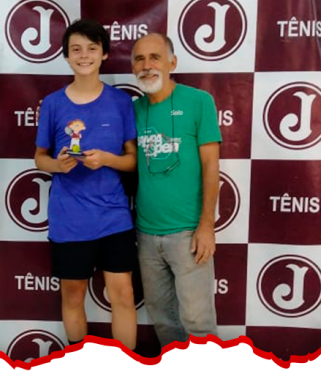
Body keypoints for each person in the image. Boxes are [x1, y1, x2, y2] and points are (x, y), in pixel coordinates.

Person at [35, 19, 138, 349]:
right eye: (76, 49)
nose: (84, 55)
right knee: (73, 295)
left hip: (114, 216)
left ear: (104, 54)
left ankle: (127, 368)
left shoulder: (121, 102)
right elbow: (40, 158)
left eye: (92, 48)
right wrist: (58, 165)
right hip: (69, 219)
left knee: (123, 294)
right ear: (66, 56)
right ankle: (79, 368)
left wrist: (106, 159)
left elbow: (132, 160)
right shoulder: (53, 104)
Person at [131, 33, 221, 348]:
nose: (147, 65)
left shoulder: (198, 102)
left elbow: (211, 166)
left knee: (197, 320)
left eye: (155, 57)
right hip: (146, 234)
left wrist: (206, 225)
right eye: (139, 59)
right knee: (163, 319)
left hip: (188, 232)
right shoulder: (133, 110)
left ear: (172, 63)